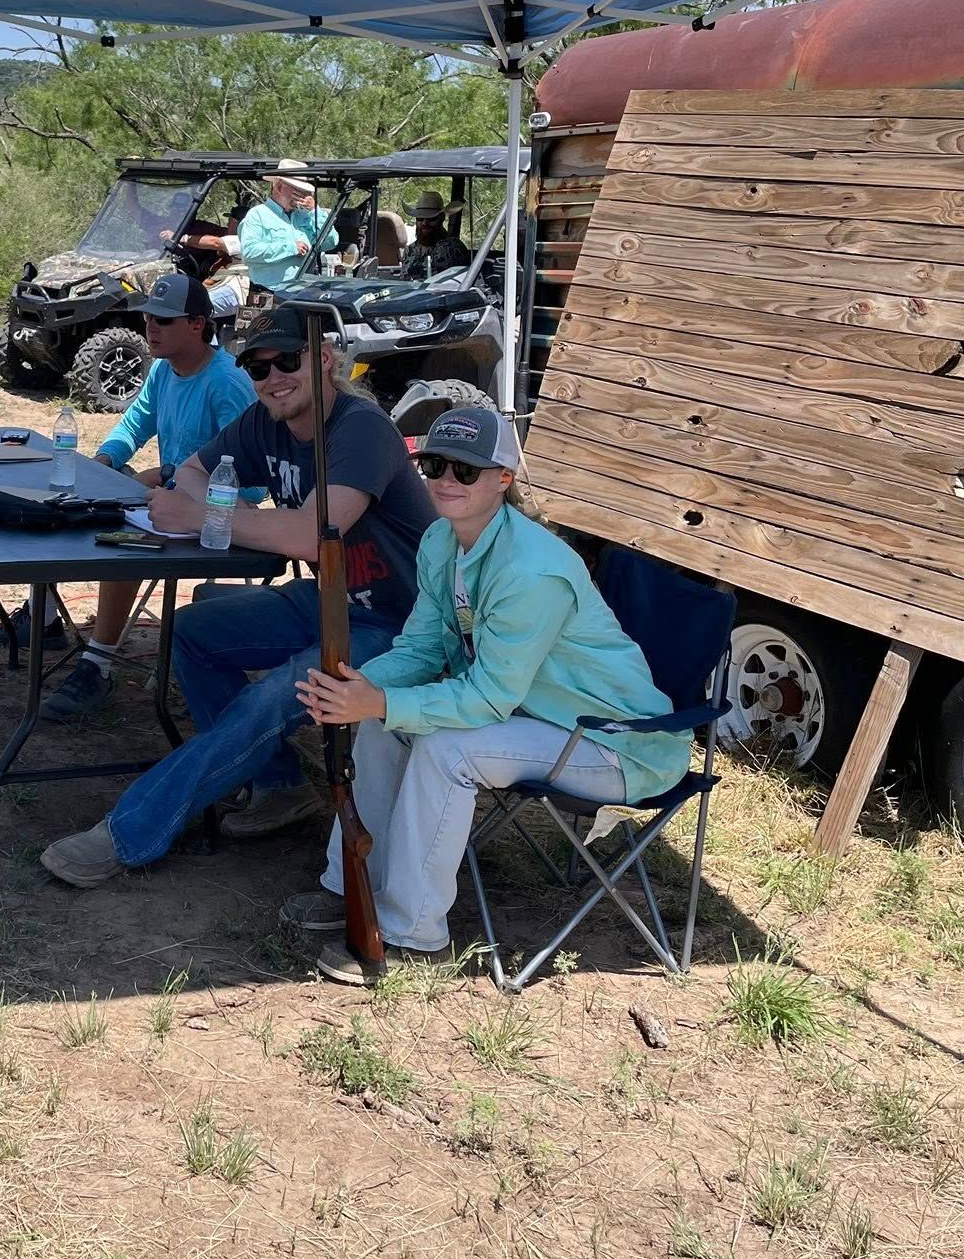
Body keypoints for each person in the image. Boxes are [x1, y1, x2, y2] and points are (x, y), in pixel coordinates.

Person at [291, 408, 692, 985]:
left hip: (616, 742)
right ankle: (352, 888)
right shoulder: (439, 540)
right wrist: (362, 687)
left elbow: (486, 700)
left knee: (447, 749)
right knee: (384, 725)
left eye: (467, 469)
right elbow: (424, 647)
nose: (447, 480)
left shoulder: (531, 571)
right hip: (537, 716)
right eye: (434, 465)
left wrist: (379, 701)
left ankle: (412, 935)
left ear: (504, 477)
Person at [38, 307, 435, 886]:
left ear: (324, 361)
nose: (272, 376)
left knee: (272, 697)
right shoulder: (262, 423)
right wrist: (222, 512)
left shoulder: (361, 429)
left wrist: (204, 517)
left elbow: (307, 535)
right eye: (256, 366)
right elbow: (194, 472)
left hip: (404, 625)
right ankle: (278, 785)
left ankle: (129, 833)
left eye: (287, 361)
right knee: (192, 632)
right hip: (331, 602)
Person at [38, 272, 257, 719]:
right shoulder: (163, 369)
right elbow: (136, 424)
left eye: (163, 320)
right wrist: (103, 462)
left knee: (121, 540)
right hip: (171, 495)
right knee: (65, 501)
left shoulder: (227, 381)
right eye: (148, 317)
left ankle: (97, 665)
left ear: (197, 324)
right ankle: (39, 619)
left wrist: (169, 475)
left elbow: (252, 482)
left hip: (217, 516)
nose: (150, 328)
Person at [237, 160, 338, 292]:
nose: (302, 196)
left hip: (303, 291)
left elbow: (330, 242)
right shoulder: (258, 215)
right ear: (279, 188)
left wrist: (315, 211)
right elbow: (250, 253)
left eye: (303, 191)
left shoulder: (305, 216)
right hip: (269, 292)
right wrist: (290, 247)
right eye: (297, 191)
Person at [403, 190, 472, 281]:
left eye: (431, 218)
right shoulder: (410, 250)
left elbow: (449, 285)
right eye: (420, 219)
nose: (425, 223)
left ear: (441, 218)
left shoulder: (452, 248)